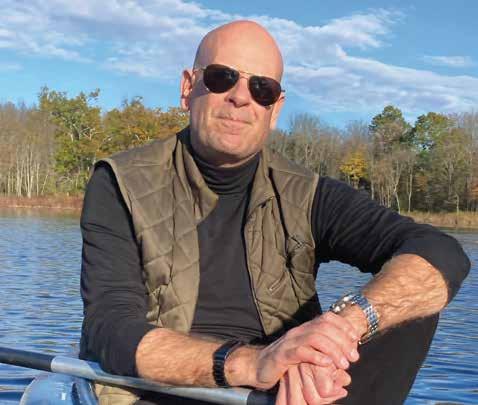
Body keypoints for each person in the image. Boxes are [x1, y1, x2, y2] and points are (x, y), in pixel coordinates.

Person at [79, 20, 470, 405]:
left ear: (275, 108)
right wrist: (253, 363)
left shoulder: (307, 193)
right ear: (187, 88)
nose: (240, 97)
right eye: (221, 78)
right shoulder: (121, 182)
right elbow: (111, 328)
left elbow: (441, 251)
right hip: (167, 390)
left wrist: (340, 330)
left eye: (261, 88)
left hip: (290, 392)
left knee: (412, 299)